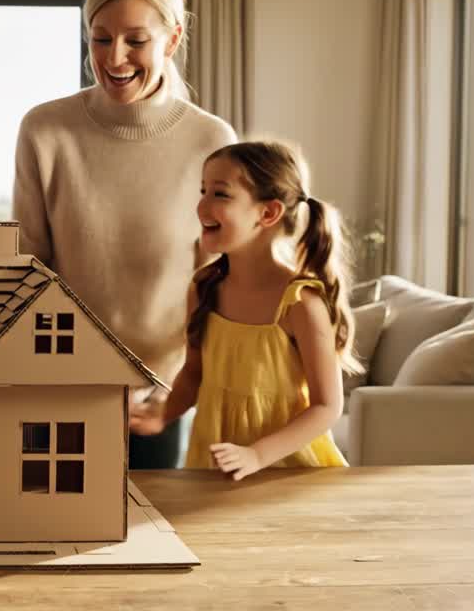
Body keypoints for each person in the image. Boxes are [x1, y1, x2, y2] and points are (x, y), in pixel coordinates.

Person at [12, 0, 237, 469]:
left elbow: (219, 277)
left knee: (150, 540)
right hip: (59, 383)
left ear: (172, 39)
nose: (115, 58)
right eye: (100, 38)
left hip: (159, 391)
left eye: (136, 40)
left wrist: (180, 385)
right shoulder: (46, 130)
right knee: (43, 530)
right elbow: (29, 267)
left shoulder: (212, 141)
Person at [129, 141, 357, 480]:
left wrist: (256, 455)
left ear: (268, 213)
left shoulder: (300, 303)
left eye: (220, 194)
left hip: (289, 472)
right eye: (203, 190)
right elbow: (194, 373)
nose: (201, 205)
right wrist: (163, 414)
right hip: (216, 466)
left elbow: (327, 407)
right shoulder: (204, 288)